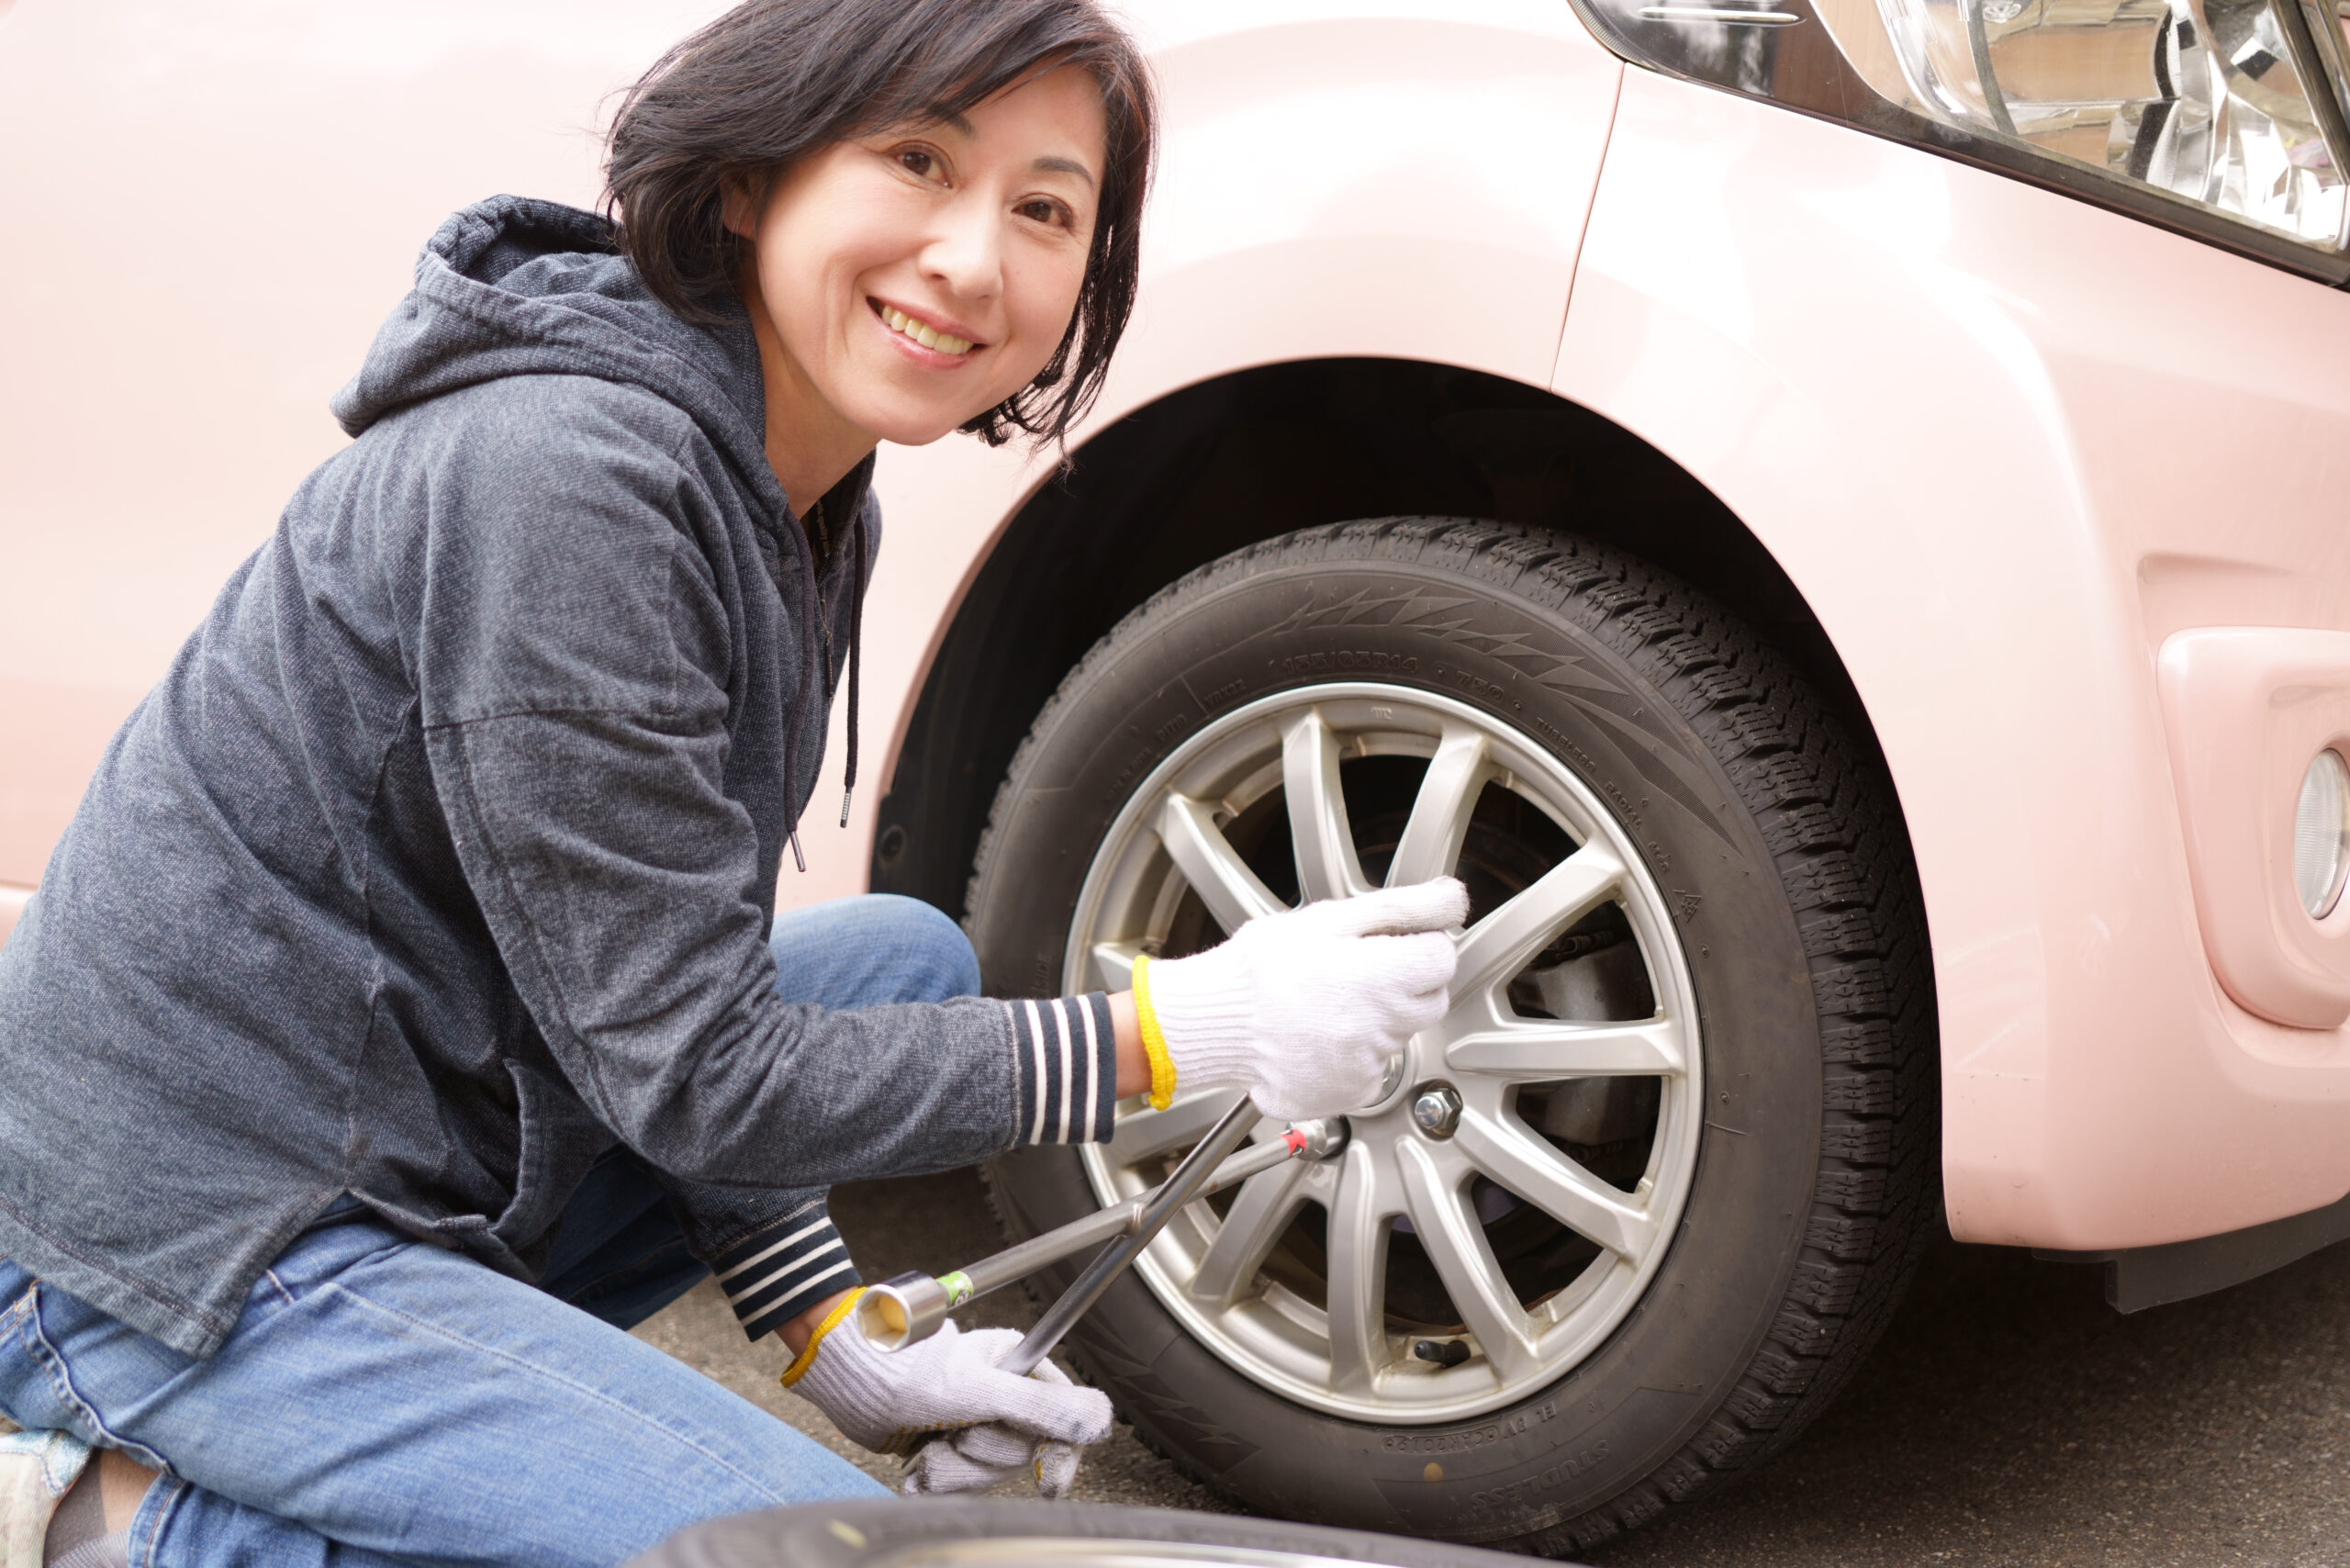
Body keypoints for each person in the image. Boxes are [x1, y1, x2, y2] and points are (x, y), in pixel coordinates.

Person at [0, 1, 1467, 1563]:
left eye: (1045, 209)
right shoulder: (573, 481)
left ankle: (407, 1434)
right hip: (176, 1240)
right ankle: (98, 1516)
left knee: (903, 959)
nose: (975, 260)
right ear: (755, 176)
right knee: (804, 1557)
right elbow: (696, 1074)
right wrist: (1190, 1033)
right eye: (917, 159)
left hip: (428, 1133)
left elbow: (675, 992)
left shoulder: (798, 492)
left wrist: (836, 1340)